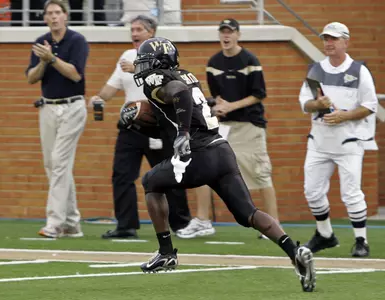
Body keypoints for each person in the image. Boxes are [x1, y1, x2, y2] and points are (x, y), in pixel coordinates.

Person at [128, 36, 316, 292]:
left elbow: (179, 95)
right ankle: (294, 251)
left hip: (198, 154)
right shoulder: (185, 74)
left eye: (146, 62)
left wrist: (182, 134)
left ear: (159, 62)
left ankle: (166, 252)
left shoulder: (156, 80)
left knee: (151, 181)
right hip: (221, 150)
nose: (142, 68)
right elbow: (177, 111)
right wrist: (142, 121)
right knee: (247, 213)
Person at [89, 15, 191, 239]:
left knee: (171, 175)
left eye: (139, 30)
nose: (134, 34)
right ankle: (126, 226)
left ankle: (182, 224)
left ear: (151, 32)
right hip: (131, 126)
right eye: (132, 29)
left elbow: (169, 80)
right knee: (121, 175)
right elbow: (111, 87)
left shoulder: (162, 55)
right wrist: (99, 98)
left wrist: (137, 69)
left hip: (159, 125)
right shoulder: (126, 56)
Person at [298, 22, 377, 257]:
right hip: (319, 141)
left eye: (333, 39)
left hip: (349, 142)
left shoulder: (359, 70)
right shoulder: (315, 70)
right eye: (325, 39)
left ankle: (361, 241)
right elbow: (305, 103)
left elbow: (370, 105)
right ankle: (325, 234)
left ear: (346, 41)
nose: (328, 43)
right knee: (311, 191)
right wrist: (317, 104)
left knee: (351, 193)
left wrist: (345, 115)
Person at [205, 18, 279, 240]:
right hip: (225, 126)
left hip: (249, 125)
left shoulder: (250, 60)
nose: (226, 36)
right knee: (210, 169)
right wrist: (219, 107)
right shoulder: (213, 62)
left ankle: (273, 226)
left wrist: (231, 106)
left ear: (238, 35)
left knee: (260, 173)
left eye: (230, 32)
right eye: (223, 32)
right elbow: (217, 94)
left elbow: (259, 94)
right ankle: (202, 222)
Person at [26, 0, 89, 238]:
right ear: (44, 18)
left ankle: (54, 222)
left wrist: (52, 59)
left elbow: (75, 74)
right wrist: (43, 61)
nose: (53, 17)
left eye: (57, 13)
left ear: (65, 16)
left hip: (72, 106)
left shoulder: (77, 41)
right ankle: (72, 222)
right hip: (48, 107)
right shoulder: (41, 42)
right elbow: (31, 78)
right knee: (53, 165)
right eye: (49, 14)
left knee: (59, 162)